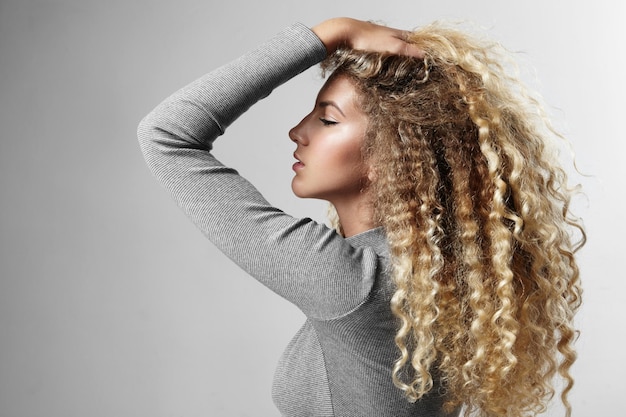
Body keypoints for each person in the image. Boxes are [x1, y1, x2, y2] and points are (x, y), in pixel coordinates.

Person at [137, 17, 584, 417]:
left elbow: (167, 134)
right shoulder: (435, 273)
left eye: (327, 120)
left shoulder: (356, 280)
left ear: (391, 155)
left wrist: (330, 34)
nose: (298, 132)